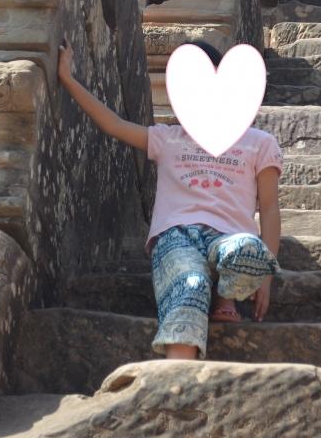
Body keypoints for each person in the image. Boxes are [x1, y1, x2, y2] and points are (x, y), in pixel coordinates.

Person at [57, 40, 282, 359]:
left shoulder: (259, 143)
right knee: (191, 284)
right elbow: (113, 124)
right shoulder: (168, 138)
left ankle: (226, 296)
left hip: (230, 239)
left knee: (250, 251)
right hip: (177, 237)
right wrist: (68, 78)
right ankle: (178, 372)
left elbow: (270, 209)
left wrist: (267, 277)